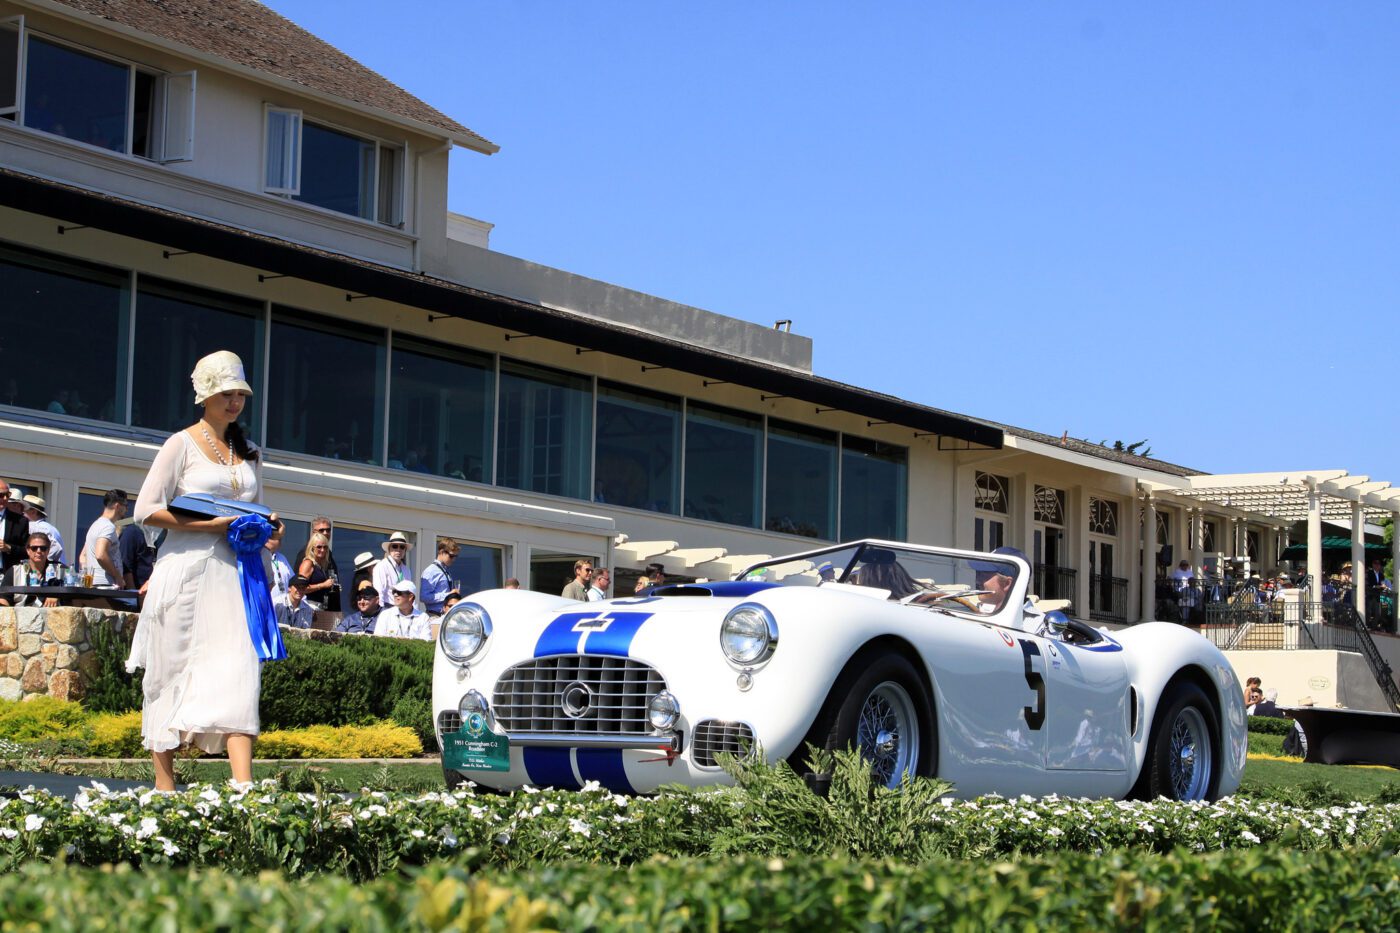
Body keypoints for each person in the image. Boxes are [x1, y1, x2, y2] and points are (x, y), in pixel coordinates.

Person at [124, 349, 271, 791]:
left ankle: (244, 786)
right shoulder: (180, 444)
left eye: (240, 394)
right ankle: (164, 785)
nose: (234, 402)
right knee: (171, 668)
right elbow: (145, 511)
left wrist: (265, 523)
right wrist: (210, 525)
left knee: (241, 667)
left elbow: (254, 506)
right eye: (226, 393)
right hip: (186, 572)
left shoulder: (251, 452)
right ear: (206, 396)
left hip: (237, 574)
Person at [1, 532, 62, 608]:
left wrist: (56, 594)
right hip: (21, 614)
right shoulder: (15, 571)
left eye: (43, 548)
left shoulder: (60, 570)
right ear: (28, 550)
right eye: (34, 548)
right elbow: (4, 598)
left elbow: (74, 595)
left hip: (52, 615)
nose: (39, 551)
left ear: (48, 550)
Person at [81, 489, 128, 588]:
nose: (127, 509)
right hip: (106, 585)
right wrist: (118, 576)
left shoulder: (95, 525)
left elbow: (82, 557)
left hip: (93, 584)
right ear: (117, 506)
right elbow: (101, 555)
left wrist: (87, 580)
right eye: (126, 505)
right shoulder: (108, 527)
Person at [296, 532, 337, 610]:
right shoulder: (308, 563)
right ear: (312, 548)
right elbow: (300, 588)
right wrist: (323, 585)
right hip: (309, 606)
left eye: (325, 547)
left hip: (320, 607)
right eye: (319, 547)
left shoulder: (321, 565)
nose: (322, 550)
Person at [372, 532, 413, 608]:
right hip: (387, 607)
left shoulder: (406, 569)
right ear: (389, 549)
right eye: (395, 546)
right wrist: (381, 613)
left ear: (405, 550)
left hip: (403, 609)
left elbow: (410, 592)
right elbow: (379, 592)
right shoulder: (382, 566)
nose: (398, 550)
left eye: (402, 547)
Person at [420, 537, 460, 613]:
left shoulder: (445, 570)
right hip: (434, 615)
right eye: (451, 556)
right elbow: (424, 597)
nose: (453, 559)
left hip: (445, 615)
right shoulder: (431, 571)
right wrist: (448, 595)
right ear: (442, 552)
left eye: (455, 557)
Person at [0, 480, 31, 574]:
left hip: (6, 574)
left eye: (8, 495)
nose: (5, 498)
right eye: (1, 495)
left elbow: (28, 551)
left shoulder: (20, 521)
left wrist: (8, 548)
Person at [21, 495, 64, 563]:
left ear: (33, 512)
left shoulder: (39, 528)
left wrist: (42, 564)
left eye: (23, 510)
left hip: (51, 570)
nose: (22, 513)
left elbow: (56, 548)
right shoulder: (48, 527)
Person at [119, 519, 156, 592]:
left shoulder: (156, 534)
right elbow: (125, 568)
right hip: (139, 593)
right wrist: (133, 594)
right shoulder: (131, 533)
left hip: (153, 591)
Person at [264, 525, 295, 607]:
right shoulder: (257, 557)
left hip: (282, 609)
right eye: (277, 537)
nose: (280, 541)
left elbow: (292, 583)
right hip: (264, 607)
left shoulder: (282, 558)